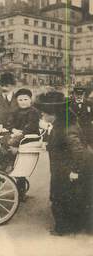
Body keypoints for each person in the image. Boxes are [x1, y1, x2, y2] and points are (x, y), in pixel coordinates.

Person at [35, 91, 93, 235]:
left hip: (70, 169)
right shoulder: (62, 124)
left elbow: (78, 151)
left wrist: (75, 171)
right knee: (66, 196)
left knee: (63, 197)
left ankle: (64, 228)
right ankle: (68, 226)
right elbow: (59, 145)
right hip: (64, 168)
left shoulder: (66, 128)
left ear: (52, 113)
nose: (42, 115)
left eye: (44, 113)